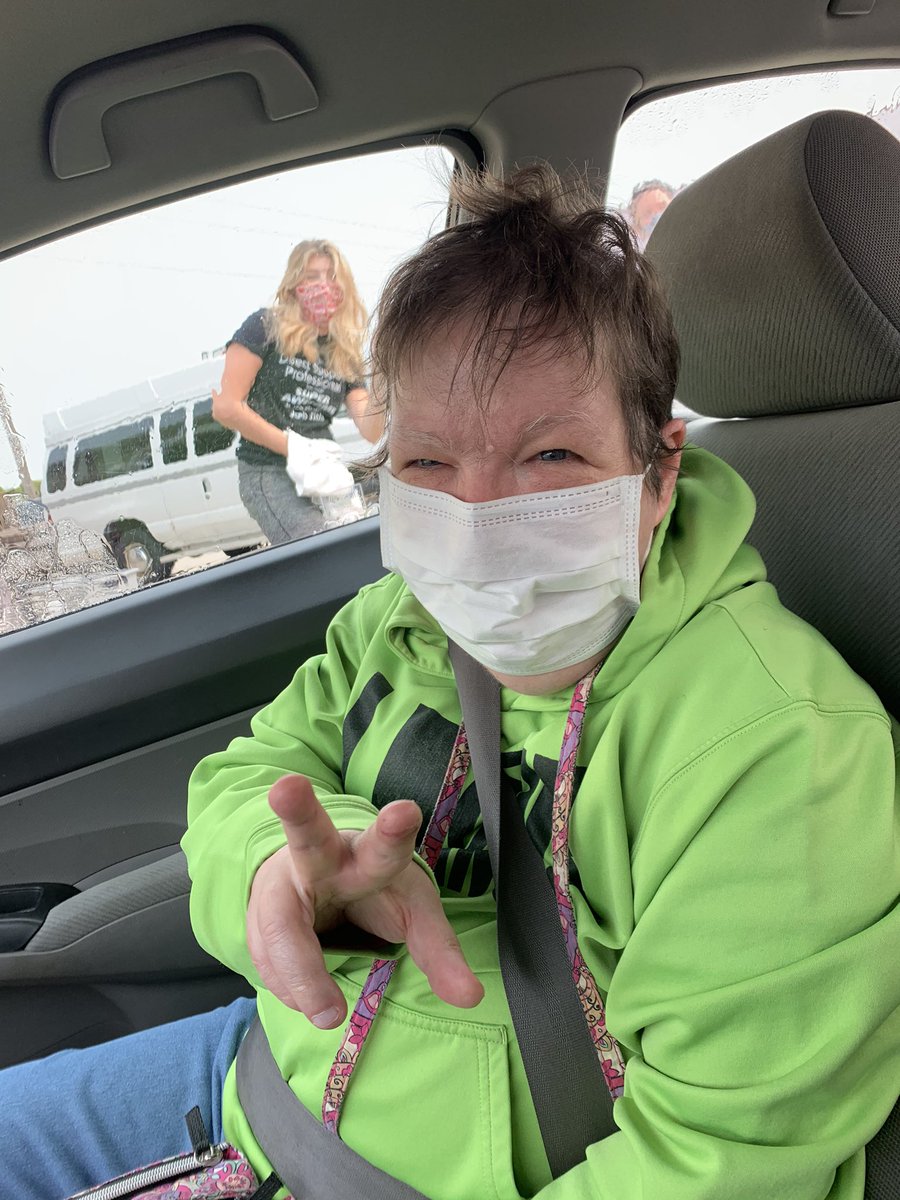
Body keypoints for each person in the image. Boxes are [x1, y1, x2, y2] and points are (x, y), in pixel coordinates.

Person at [3, 165, 898, 1200]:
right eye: (428, 465)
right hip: (255, 1082)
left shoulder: (778, 749)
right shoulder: (396, 622)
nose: (476, 528)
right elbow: (251, 776)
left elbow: (716, 1161)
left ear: (659, 473)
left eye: (550, 456)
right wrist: (275, 875)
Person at [212, 240, 382, 545]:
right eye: (312, 276)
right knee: (319, 550)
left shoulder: (343, 350)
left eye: (331, 277)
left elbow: (371, 429)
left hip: (323, 475)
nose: (323, 285)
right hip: (270, 472)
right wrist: (295, 448)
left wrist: (387, 378)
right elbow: (226, 407)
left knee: (354, 545)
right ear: (293, 286)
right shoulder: (265, 326)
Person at [622, 178, 675, 250]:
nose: (654, 218)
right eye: (648, 212)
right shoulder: (622, 239)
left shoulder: (670, 243)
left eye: (660, 211)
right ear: (634, 208)